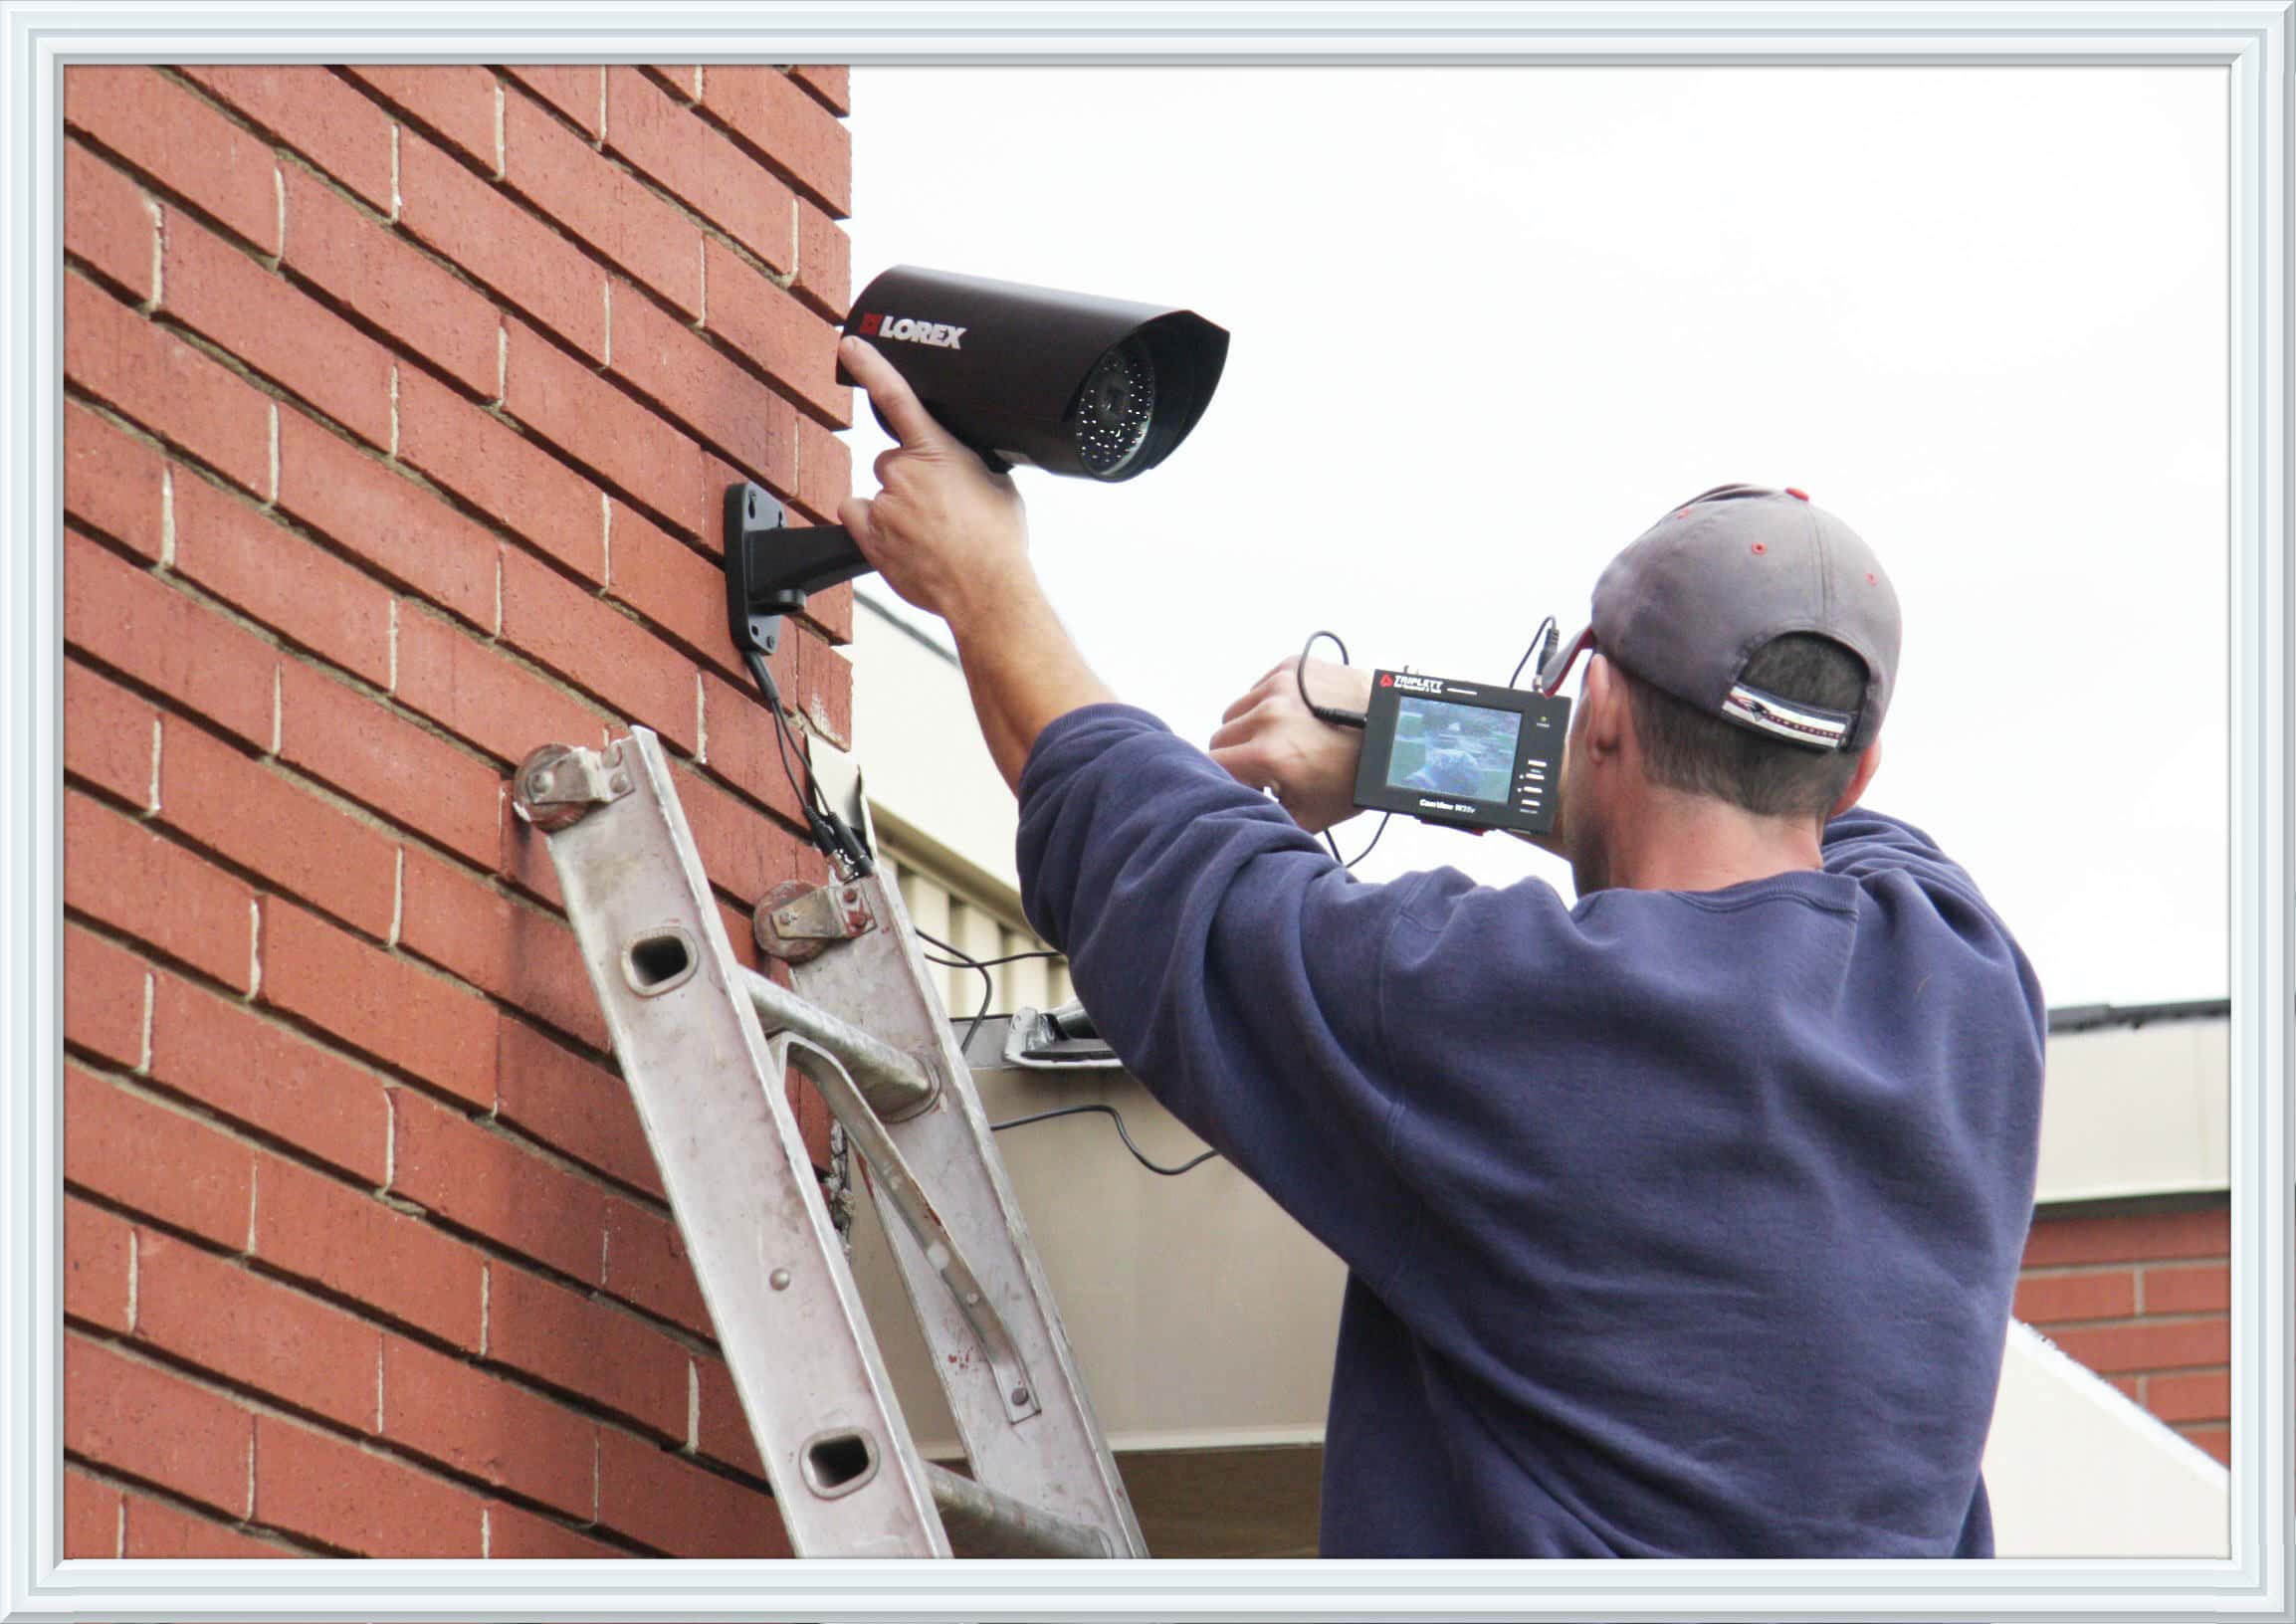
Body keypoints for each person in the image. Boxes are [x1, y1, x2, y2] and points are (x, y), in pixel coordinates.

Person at [833, 334, 2045, 1558]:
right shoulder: (1967, 987)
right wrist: (1404, 741)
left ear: (1603, 707)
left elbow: (1164, 864)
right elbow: (1757, 814)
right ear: (1861, 770)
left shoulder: (1517, 1017)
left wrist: (986, 581)